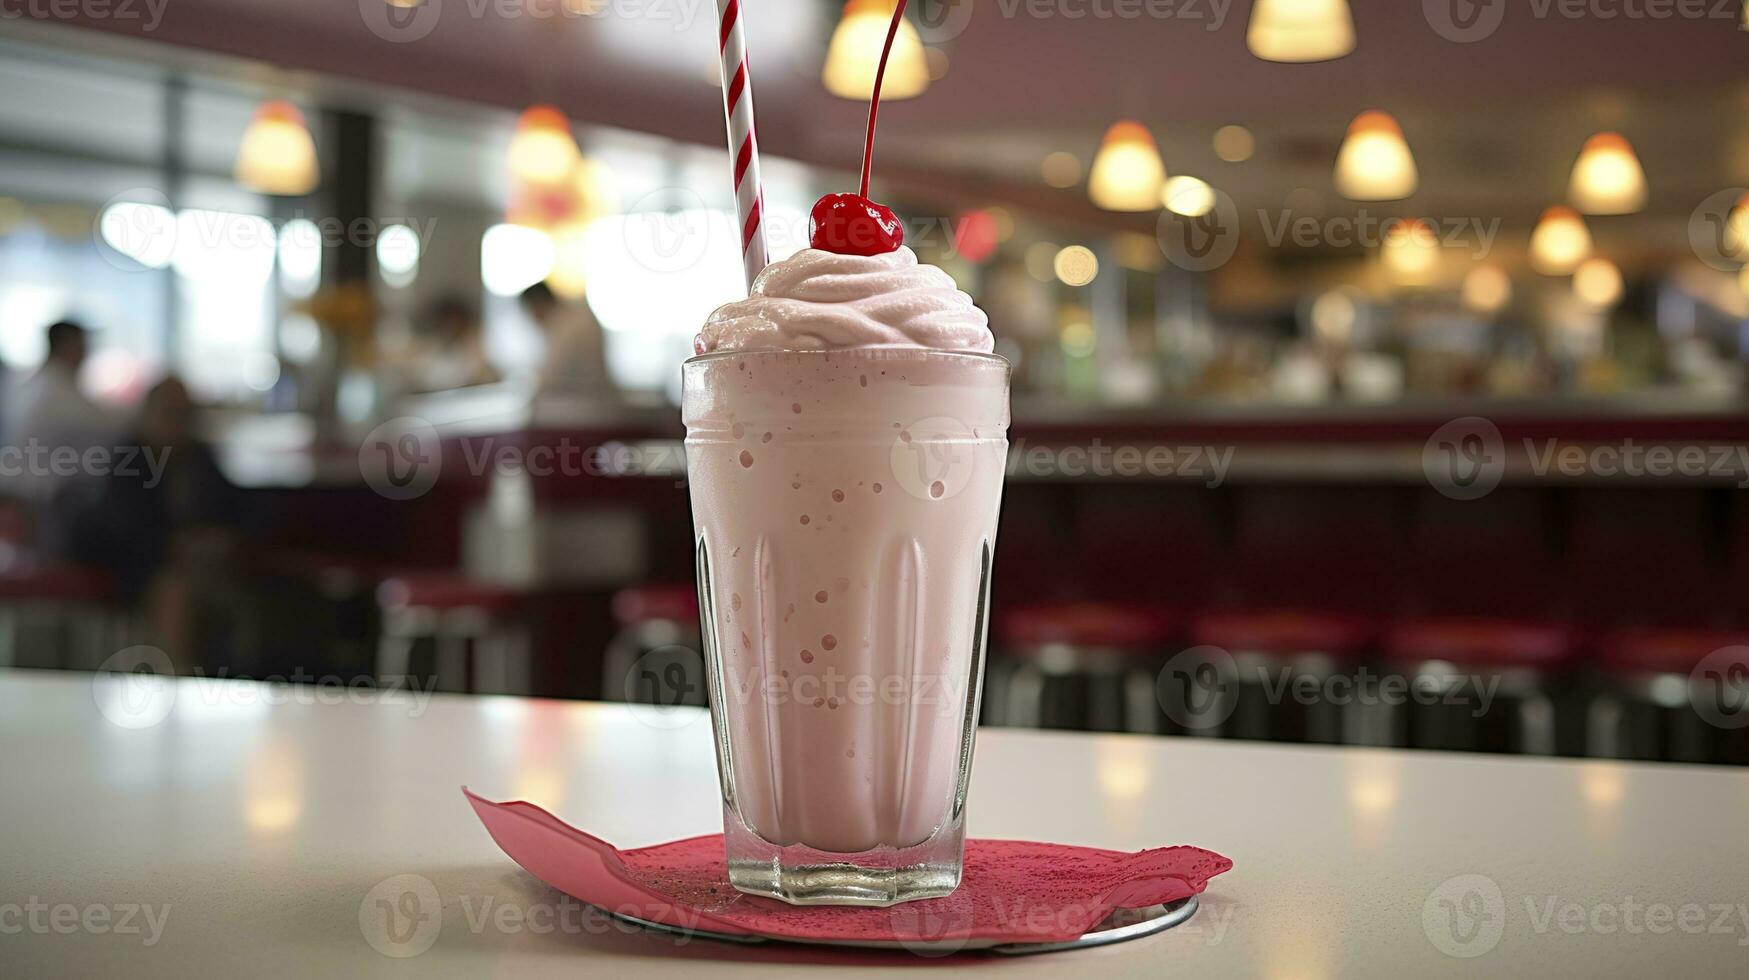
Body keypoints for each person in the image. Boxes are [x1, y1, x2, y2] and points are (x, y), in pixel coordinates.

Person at [68, 377, 248, 666]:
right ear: (149, 413)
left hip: (195, 563)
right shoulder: (131, 458)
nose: (178, 422)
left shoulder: (199, 456)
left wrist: (218, 539)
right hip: (132, 564)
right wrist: (178, 547)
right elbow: (127, 528)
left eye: (185, 414)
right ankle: (174, 685)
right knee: (174, 592)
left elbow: (236, 507)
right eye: (170, 412)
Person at [3, 321, 118, 506]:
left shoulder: (30, 385)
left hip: (22, 491)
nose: (86, 353)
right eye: (82, 345)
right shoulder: (57, 391)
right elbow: (109, 425)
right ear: (67, 346)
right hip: (39, 500)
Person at [519, 282, 618, 400]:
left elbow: (550, 377)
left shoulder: (567, 326)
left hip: (583, 405)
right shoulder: (574, 318)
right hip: (589, 401)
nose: (533, 319)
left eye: (531, 312)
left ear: (538, 304)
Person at [406, 295, 500, 393]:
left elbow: (490, 379)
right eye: (448, 323)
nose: (452, 328)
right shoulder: (429, 351)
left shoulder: (476, 352)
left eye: (456, 323)